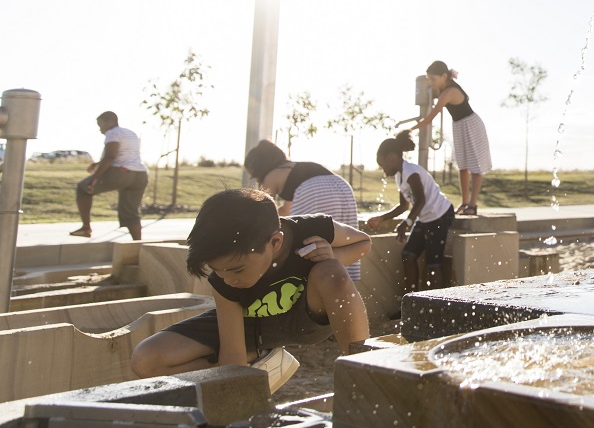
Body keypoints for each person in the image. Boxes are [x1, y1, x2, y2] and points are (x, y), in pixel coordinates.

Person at [129, 188, 371, 379]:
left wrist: (330, 256)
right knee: (145, 360)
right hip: (251, 328)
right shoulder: (225, 279)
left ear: (275, 242)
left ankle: (364, 368)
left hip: (306, 317)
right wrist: (232, 377)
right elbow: (232, 354)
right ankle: (262, 360)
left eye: (237, 269)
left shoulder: (311, 228)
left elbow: (363, 243)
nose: (229, 279)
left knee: (331, 271)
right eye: (217, 271)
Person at [244, 140, 360, 280]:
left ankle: (312, 281)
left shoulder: (270, 176)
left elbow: (264, 211)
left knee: (306, 242)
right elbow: (286, 211)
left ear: (259, 168)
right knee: (338, 238)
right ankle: (342, 280)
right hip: (342, 187)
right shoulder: (295, 170)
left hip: (314, 190)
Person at [368, 131, 455, 293]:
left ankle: (435, 309)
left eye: (382, 164)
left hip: (440, 215)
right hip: (425, 217)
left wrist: (407, 223)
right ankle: (411, 302)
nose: (383, 170)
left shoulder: (411, 172)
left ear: (391, 158)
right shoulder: (400, 176)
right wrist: (381, 218)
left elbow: (421, 200)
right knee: (408, 256)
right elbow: (404, 206)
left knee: (433, 265)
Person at [411, 60, 491, 215]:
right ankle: (464, 202)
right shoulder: (442, 89)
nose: (432, 83)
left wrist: (410, 129)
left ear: (444, 76)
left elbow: (429, 118)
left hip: (471, 125)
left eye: (433, 79)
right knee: (463, 166)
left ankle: (472, 205)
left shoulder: (449, 92)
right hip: (459, 125)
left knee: (475, 167)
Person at [71, 111, 149, 240]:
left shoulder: (113, 133)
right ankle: (137, 244)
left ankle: (86, 228)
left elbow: (111, 156)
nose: (100, 129)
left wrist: (94, 179)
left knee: (83, 187)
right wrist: (98, 163)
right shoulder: (130, 133)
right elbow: (125, 155)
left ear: (110, 121)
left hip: (122, 173)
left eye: (100, 124)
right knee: (131, 212)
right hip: (140, 174)